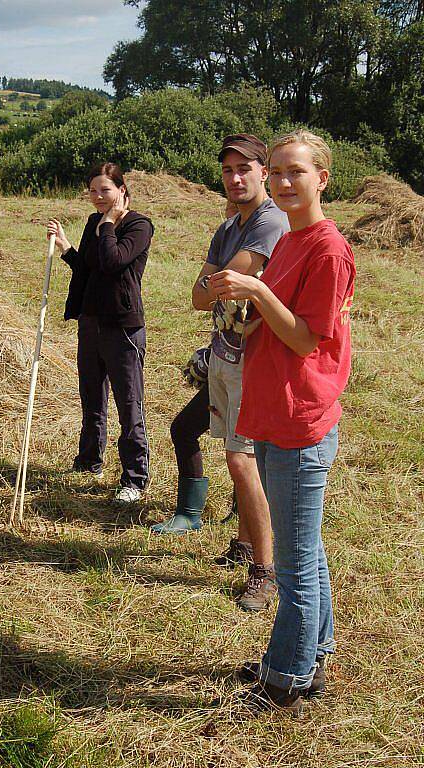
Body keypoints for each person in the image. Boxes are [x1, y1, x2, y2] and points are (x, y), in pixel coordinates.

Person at [210, 129, 356, 712]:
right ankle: (310, 650)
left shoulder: (327, 248)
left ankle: (287, 680)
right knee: (308, 550)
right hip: (272, 409)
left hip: (300, 418)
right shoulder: (292, 239)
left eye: (296, 171)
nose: (283, 181)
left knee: (294, 566)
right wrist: (246, 315)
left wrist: (254, 290)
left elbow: (304, 336)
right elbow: (273, 322)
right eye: (276, 171)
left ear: (323, 178)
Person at [152, 134, 289, 613]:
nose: (234, 178)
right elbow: (199, 294)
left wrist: (215, 283)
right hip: (225, 357)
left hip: (257, 364)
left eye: (243, 168)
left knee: (242, 462)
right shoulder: (229, 226)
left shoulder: (271, 223)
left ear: (263, 171)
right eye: (227, 170)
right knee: (238, 457)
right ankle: (244, 546)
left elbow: (224, 281)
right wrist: (215, 284)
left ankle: (265, 572)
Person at [47, 162, 154, 503]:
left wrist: (108, 223)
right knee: (92, 397)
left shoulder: (138, 225)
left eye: (105, 190)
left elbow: (113, 261)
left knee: (128, 403)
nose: (97, 197)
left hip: (122, 326)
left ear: (122, 190)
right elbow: (89, 270)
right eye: (92, 191)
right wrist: (66, 247)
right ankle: (89, 460)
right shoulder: (94, 222)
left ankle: (134, 478)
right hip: (91, 322)